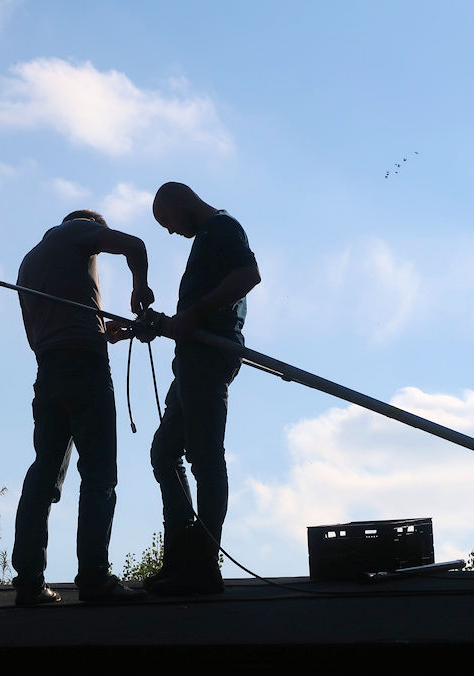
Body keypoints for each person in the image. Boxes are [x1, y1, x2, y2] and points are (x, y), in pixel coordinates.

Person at [11, 209, 153, 606]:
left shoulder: (30, 261)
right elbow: (135, 246)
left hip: (49, 371)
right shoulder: (78, 231)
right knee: (99, 473)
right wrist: (140, 287)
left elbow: (43, 334)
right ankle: (94, 578)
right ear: (89, 229)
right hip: (85, 370)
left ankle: (28, 581)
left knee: (44, 474)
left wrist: (102, 331)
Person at [146, 182, 261, 595]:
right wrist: (159, 324)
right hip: (193, 360)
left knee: (204, 457)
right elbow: (194, 313)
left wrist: (195, 312)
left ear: (181, 203)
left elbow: (249, 275)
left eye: (168, 222)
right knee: (165, 452)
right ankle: (183, 558)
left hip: (209, 360)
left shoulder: (223, 229)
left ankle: (201, 564)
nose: (171, 232)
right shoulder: (210, 238)